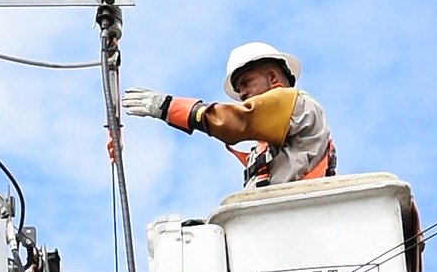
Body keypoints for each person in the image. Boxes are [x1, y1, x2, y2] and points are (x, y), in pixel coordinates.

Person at [120, 42, 336, 188]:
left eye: (246, 82)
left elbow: (236, 121)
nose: (242, 94)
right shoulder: (268, 143)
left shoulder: (297, 103)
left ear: (272, 78)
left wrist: (169, 107)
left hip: (293, 220)